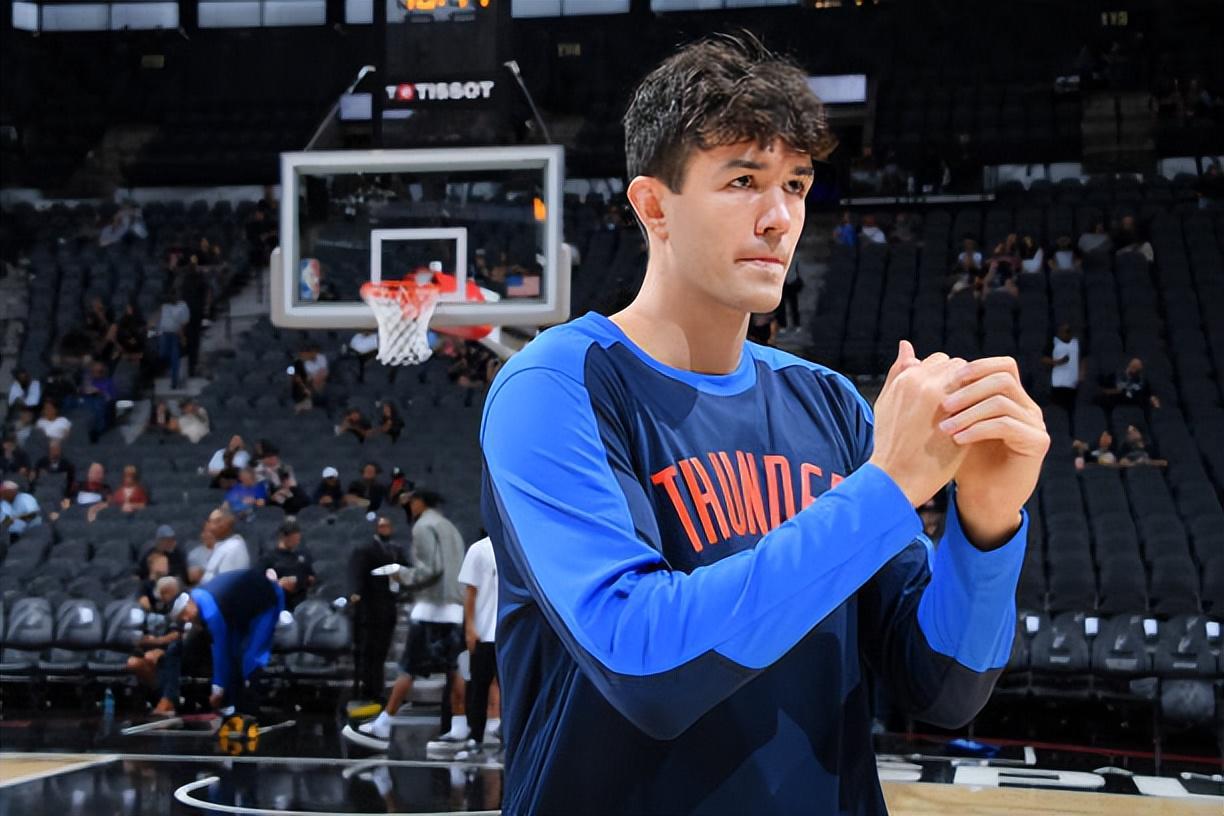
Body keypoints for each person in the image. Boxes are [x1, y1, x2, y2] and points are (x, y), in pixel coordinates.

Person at [478, 36, 1044, 816]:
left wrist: (986, 525)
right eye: (743, 181)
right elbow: (646, 667)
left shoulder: (829, 403)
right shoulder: (555, 384)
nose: (780, 219)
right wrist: (888, 487)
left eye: (796, 185)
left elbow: (942, 688)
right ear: (653, 205)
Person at [346, 491, 469, 752]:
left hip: (430, 610)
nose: (410, 507)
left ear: (421, 502)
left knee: (408, 669)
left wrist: (401, 574)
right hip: (454, 609)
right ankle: (460, 727)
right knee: (455, 670)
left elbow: (431, 569)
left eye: (412, 502)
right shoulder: (451, 528)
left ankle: (384, 724)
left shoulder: (424, 526)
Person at [172, 568, 286, 714]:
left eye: (185, 613)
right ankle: (234, 704)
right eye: (182, 618)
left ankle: (252, 707)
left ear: (189, 603)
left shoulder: (211, 611)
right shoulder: (198, 596)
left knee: (251, 658)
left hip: (265, 603)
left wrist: (217, 688)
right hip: (240, 612)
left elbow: (220, 649)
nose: (186, 619)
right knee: (234, 655)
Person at [345, 516, 403, 706]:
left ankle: (377, 689)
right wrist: (355, 593)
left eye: (388, 525)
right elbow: (356, 575)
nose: (385, 529)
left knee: (381, 653)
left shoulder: (396, 549)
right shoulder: (365, 549)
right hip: (370, 609)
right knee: (369, 652)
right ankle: (368, 689)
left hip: (388, 606)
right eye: (382, 526)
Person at [456, 536, 500, 756]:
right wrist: (470, 627)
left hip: (507, 633)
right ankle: (475, 735)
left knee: (509, 688)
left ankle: (508, 735)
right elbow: (470, 592)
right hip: (484, 633)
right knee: (479, 686)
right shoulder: (479, 549)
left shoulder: (517, 544)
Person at [128, 575, 184, 716]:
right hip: (146, 649)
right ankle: (158, 697)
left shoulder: (179, 606)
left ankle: (167, 699)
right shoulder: (145, 609)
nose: (161, 597)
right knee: (133, 662)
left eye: (164, 593)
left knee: (153, 657)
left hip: (170, 650)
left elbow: (177, 635)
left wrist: (159, 643)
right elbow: (136, 637)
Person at [259, 520, 315, 610]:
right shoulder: (269, 558)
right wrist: (278, 584)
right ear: (284, 537)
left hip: (301, 603)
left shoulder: (302, 556)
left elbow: (312, 578)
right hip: (280, 603)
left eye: (298, 539)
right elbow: (259, 583)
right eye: (294, 539)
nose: (297, 542)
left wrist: (300, 581)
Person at [1042, 323, 1084, 413]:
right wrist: (1058, 362)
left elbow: (1084, 359)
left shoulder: (1076, 344)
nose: (1066, 333)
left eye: (1068, 331)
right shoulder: (1053, 344)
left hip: (1073, 384)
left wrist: (1081, 373)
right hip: (1057, 385)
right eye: (1064, 331)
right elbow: (1044, 359)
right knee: (1057, 409)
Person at [201, 507, 250, 583]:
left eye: (212, 522)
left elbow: (226, 584)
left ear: (223, 525)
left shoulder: (233, 548)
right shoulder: (222, 545)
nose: (208, 525)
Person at [156, 292, 191, 390]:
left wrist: (182, 336)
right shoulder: (165, 306)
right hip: (165, 333)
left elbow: (184, 322)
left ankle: (174, 381)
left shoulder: (182, 306)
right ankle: (170, 371)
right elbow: (161, 319)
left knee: (174, 357)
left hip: (175, 334)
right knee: (164, 354)